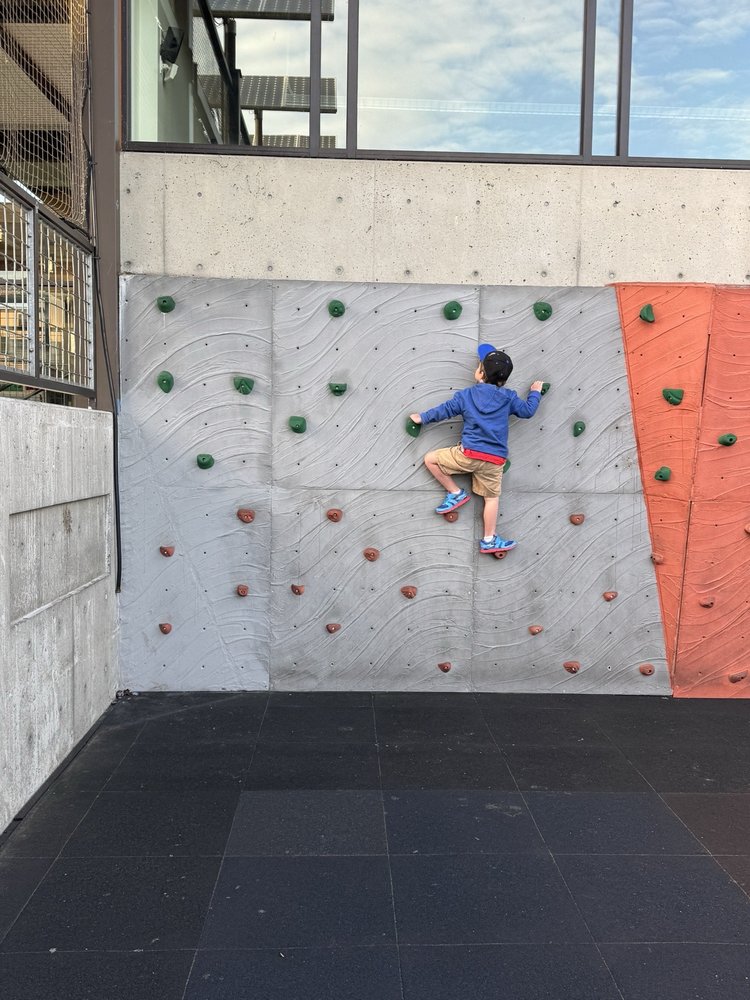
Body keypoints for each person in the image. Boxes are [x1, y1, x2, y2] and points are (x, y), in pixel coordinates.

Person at [410, 345, 544, 553]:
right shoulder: (508, 397)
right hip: (494, 461)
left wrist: (422, 418)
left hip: (467, 455)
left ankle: (455, 492)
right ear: (504, 380)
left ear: (480, 373)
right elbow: (527, 411)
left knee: (431, 459)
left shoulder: (467, 396)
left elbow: (444, 411)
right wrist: (535, 393)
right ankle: (489, 539)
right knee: (491, 498)